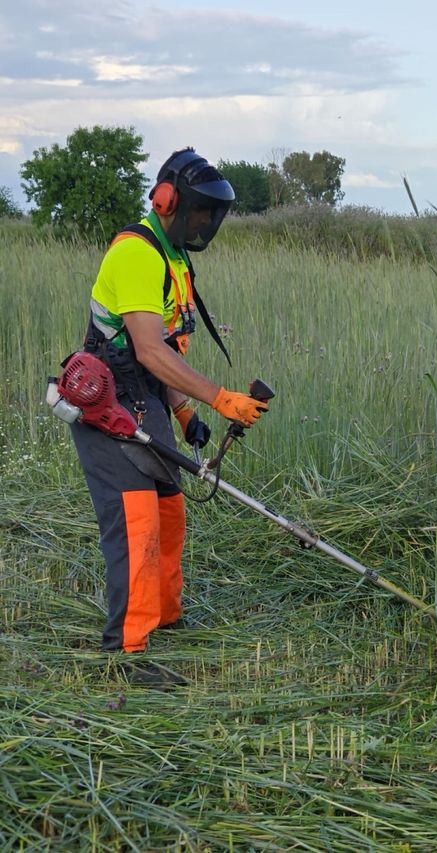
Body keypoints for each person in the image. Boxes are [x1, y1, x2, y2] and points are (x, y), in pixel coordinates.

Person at [70, 147, 268, 682]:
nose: (206, 222)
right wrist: (219, 397)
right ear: (166, 200)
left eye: (213, 214)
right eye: (200, 210)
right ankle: (127, 653)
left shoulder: (173, 257)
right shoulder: (137, 254)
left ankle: (164, 618)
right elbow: (146, 350)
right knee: (136, 520)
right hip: (107, 400)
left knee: (169, 509)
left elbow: (166, 351)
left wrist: (182, 412)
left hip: (146, 397)